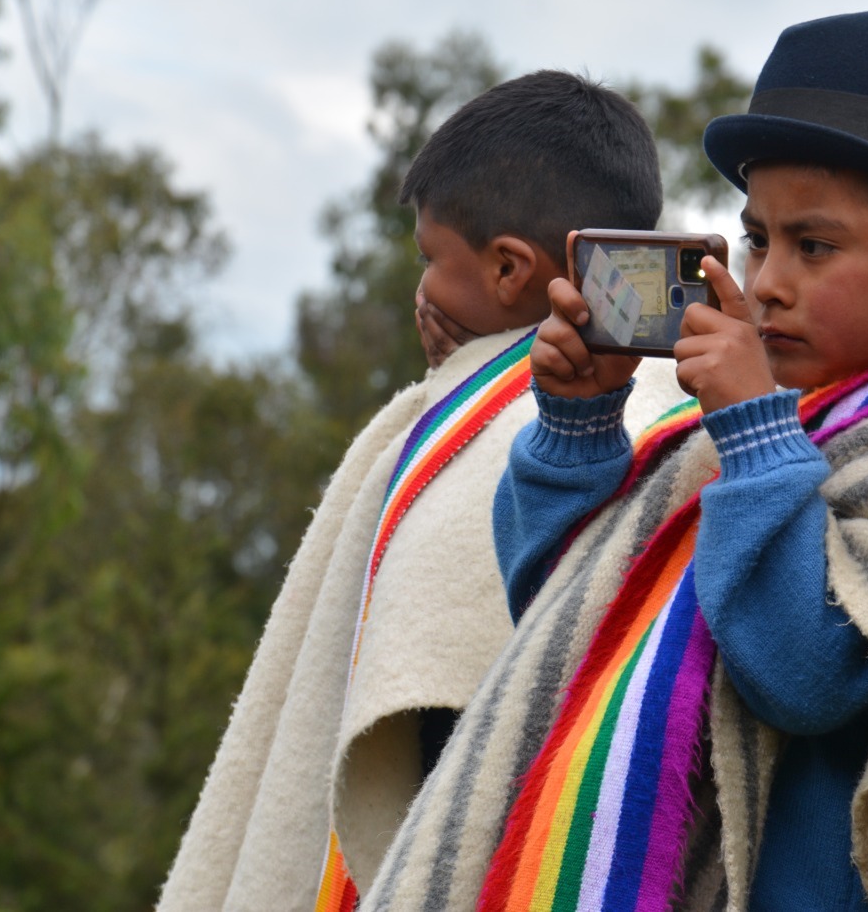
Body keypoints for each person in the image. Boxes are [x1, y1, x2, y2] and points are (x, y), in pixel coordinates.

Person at [361, 8, 868, 912]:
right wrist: (579, 428)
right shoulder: (732, 431)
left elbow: (810, 676)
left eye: (815, 245)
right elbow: (561, 619)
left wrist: (759, 435)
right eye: (758, 237)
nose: (766, 281)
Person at [156, 70, 686, 912]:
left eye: (431, 260)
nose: (423, 291)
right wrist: (461, 378)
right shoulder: (678, 404)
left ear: (510, 269)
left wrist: (463, 392)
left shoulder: (493, 426)